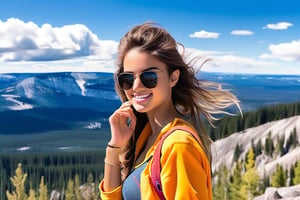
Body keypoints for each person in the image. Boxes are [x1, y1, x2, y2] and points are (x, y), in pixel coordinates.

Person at [99, 22, 240, 200]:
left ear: (173, 78)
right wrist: (114, 149)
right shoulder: (147, 136)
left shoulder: (179, 145)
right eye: (128, 78)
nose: (136, 86)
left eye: (149, 76)